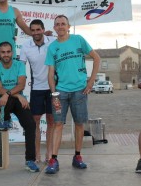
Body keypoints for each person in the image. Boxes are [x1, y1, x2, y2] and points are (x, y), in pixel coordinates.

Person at [44, 15, 100, 174]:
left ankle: (77, 157)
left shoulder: (78, 39)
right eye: (57, 24)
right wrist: (53, 93)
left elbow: (96, 58)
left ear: (68, 26)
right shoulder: (52, 47)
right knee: (58, 124)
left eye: (63, 24)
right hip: (60, 91)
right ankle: (53, 159)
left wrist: (91, 82)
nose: (60, 26)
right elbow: (50, 72)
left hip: (80, 90)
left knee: (80, 124)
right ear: (54, 28)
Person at [0, 41, 39, 172]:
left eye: (8, 52)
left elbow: (21, 85)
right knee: (8, 100)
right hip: (3, 101)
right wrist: (16, 95)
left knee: (31, 125)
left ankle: (30, 160)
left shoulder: (19, 65)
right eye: (3, 52)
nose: (6, 55)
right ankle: (3, 117)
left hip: (17, 100)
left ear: (12, 53)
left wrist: (11, 94)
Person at [19, 19, 55, 163]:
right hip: (36, 89)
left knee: (51, 121)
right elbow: (21, 67)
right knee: (35, 123)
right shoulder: (25, 46)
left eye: (38, 30)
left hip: (53, 88)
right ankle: (37, 154)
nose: (35, 33)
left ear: (43, 29)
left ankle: (50, 153)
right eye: (32, 30)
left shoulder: (52, 41)